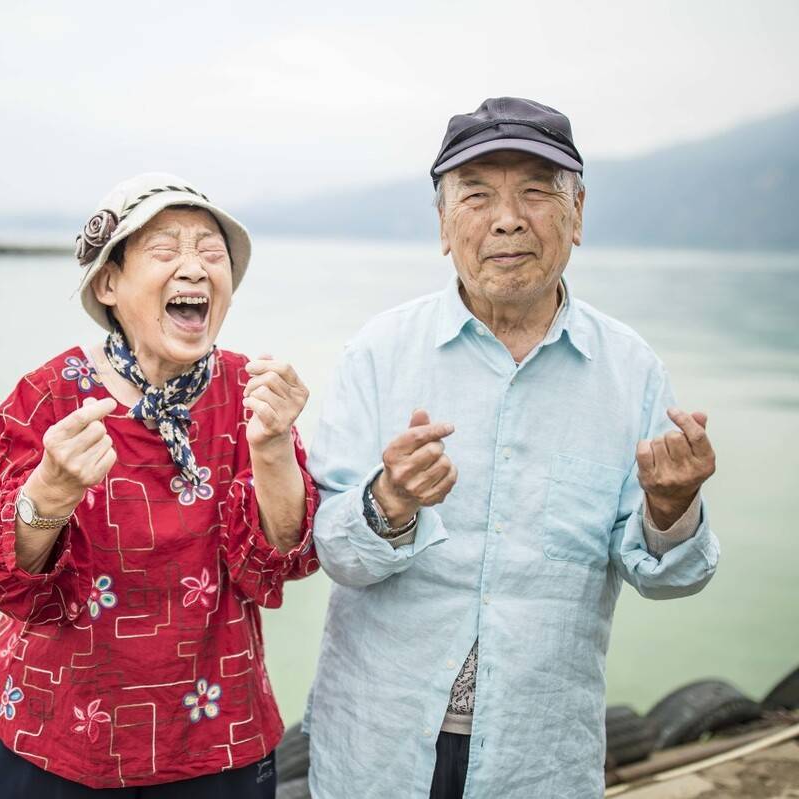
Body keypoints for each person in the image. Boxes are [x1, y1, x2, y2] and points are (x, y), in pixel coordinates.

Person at [304, 98, 720, 799]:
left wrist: (672, 506)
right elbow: (334, 553)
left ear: (578, 213)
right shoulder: (378, 352)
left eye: (535, 191)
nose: (507, 218)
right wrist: (390, 501)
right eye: (476, 195)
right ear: (443, 223)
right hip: (375, 743)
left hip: (538, 757)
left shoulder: (632, 369)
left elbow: (668, 577)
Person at [0, 173, 320, 798]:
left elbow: (279, 563)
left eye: (212, 252)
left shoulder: (250, 395)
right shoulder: (49, 396)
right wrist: (48, 497)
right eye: (166, 251)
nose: (194, 268)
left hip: (216, 736)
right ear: (109, 284)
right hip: (56, 737)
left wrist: (274, 447)